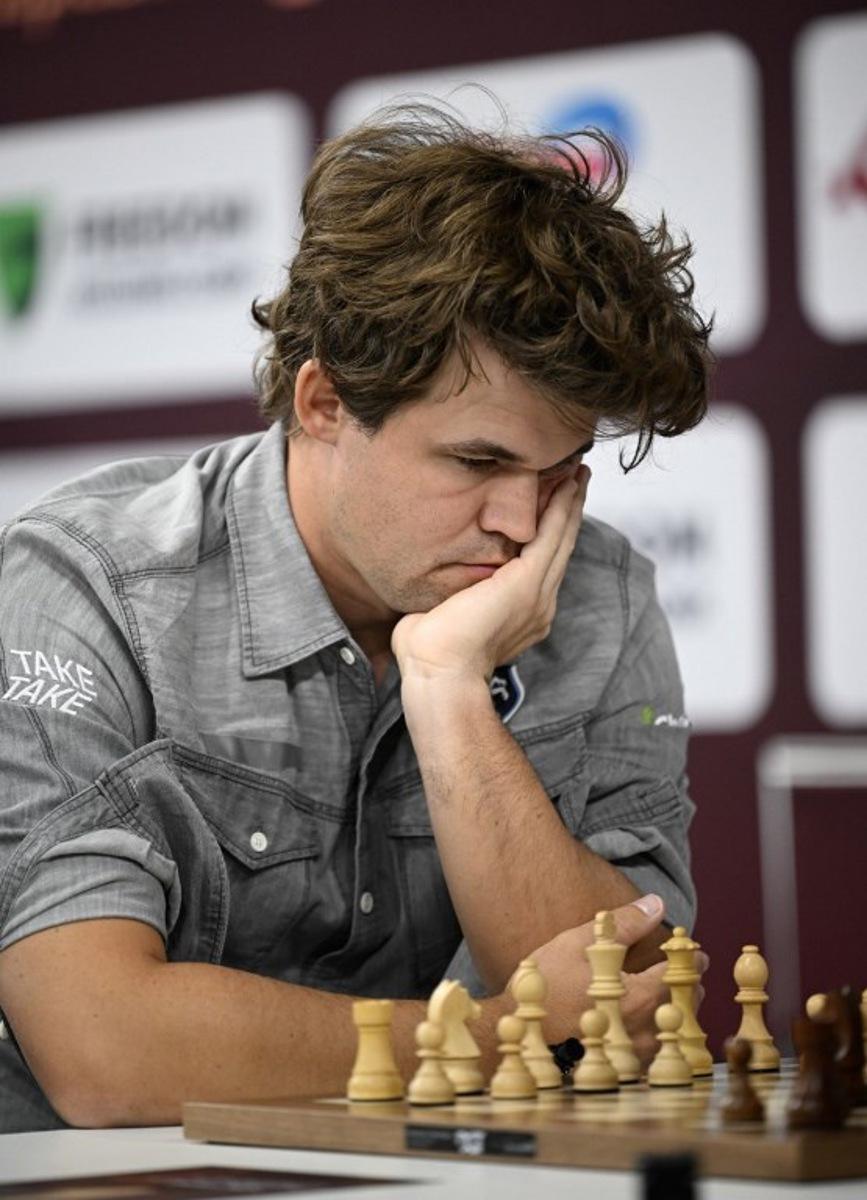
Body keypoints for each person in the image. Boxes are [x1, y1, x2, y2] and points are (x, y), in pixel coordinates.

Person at [0, 106, 712, 1132]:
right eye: (477, 461)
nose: (520, 524)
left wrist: (450, 691)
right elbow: (102, 1051)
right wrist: (497, 1035)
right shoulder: (89, 585)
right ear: (325, 402)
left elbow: (625, 1011)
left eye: (559, 471)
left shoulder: (600, 596)